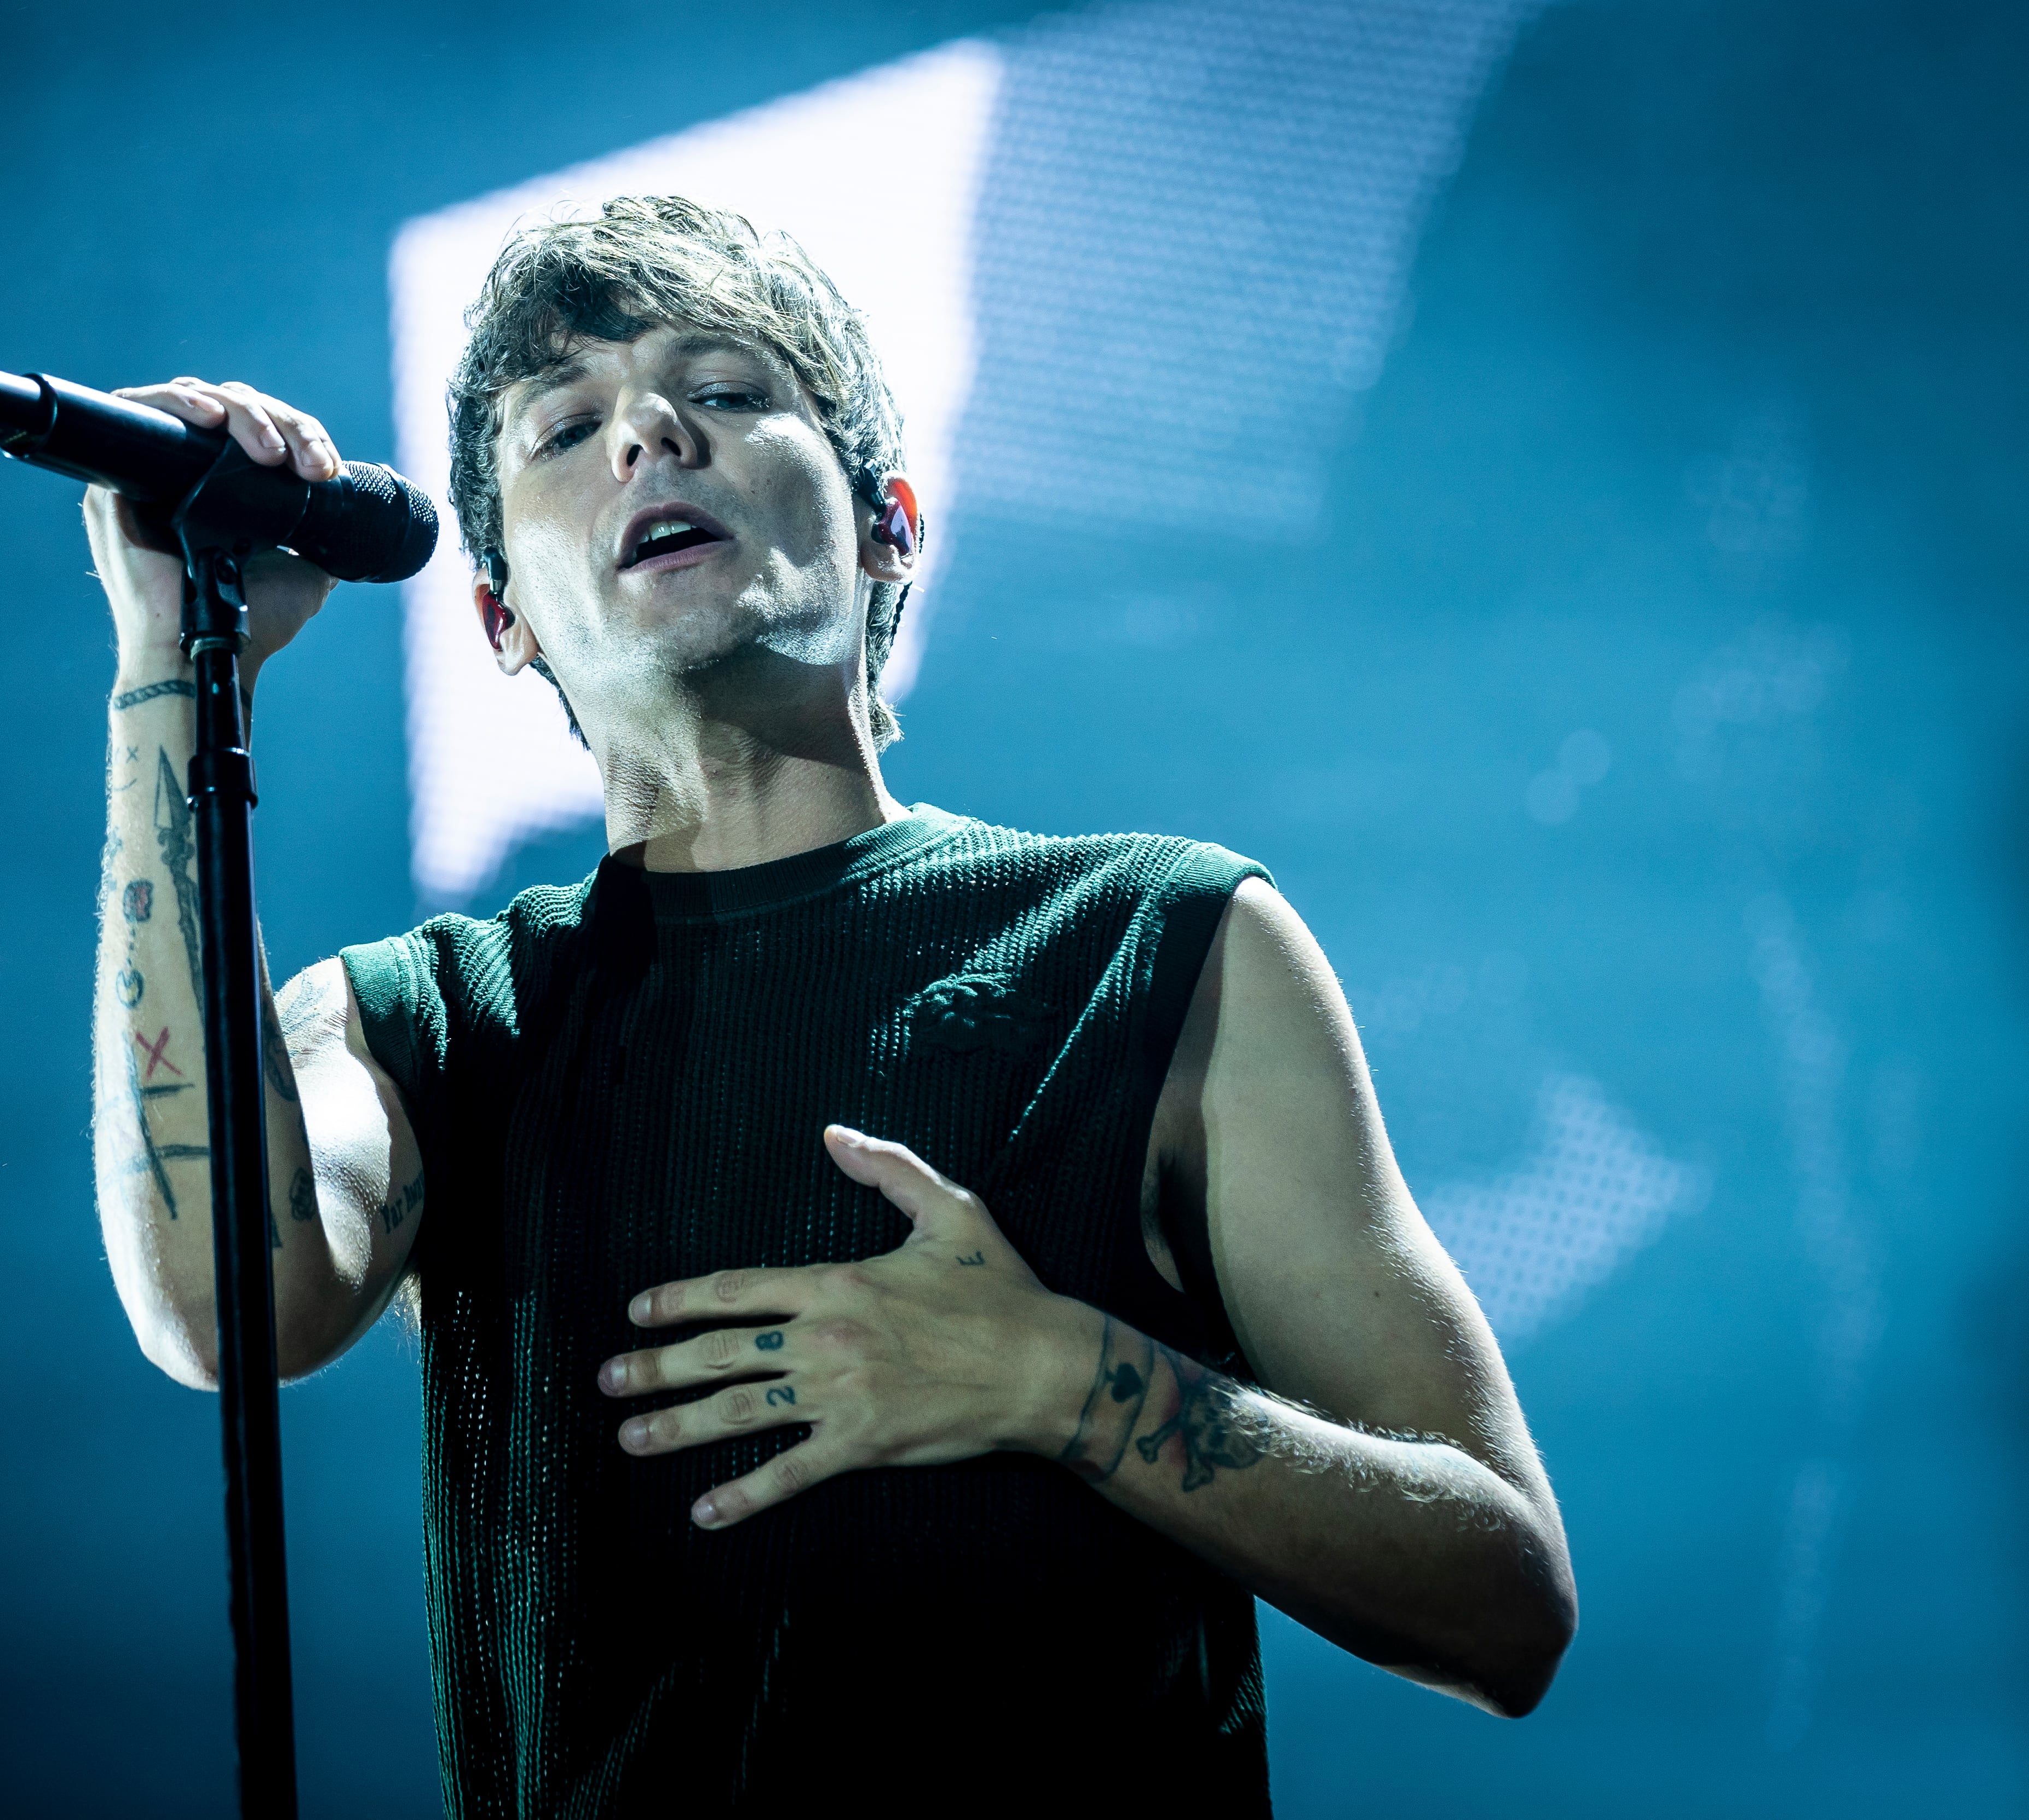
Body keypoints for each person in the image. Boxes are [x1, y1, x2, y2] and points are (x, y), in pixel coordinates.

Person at [82, 196, 1574, 1813]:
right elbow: (223, 1310)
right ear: (501, 615)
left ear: (887, 525)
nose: (649, 432)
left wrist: (1064, 1379)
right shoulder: (433, 1017)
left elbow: (1498, 1598)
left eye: (721, 391)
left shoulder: (1164, 940)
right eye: (566, 428)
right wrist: (175, 656)